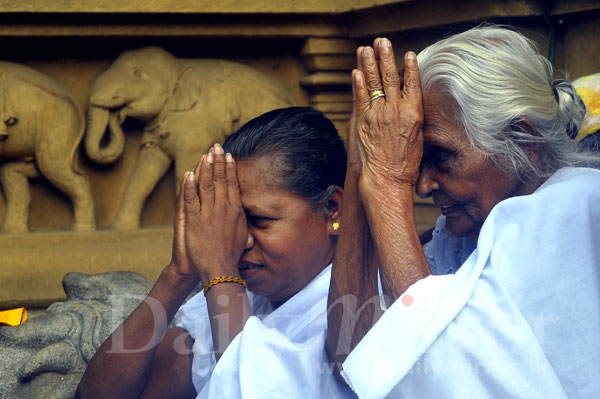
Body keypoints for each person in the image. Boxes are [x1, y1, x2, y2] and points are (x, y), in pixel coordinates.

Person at [327, 25, 600, 398]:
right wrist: (363, 165)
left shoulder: (575, 208)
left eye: (440, 156)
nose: (421, 186)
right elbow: (349, 356)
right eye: (413, 160)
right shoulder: (456, 238)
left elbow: (447, 368)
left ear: (523, 140)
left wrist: (388, 186)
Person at [77, 107, 353, 398]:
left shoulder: (365, 307)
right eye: (231, 222)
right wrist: (177, 276)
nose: (236, 241)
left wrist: (220, 273)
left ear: (332, 209)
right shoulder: (248, 297)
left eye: (259, 220)